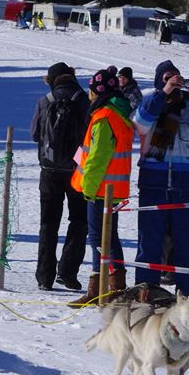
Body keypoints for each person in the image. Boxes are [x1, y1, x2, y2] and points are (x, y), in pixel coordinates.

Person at [132, 60, 189, 296]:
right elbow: (139, 124)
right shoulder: (151, 104)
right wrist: (164, 93)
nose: (174, 81)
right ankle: (146, 294)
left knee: (188, 244)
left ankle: (188, 296)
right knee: (149, 242)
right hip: (153, 184)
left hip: (185, 185)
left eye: (177, 77)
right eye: (168, 78)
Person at [69, 68, 134, 304]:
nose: (88, 94)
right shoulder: (118, 113)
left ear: (98, 91)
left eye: (91, 89)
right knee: (110, 235)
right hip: (113, 188)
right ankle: (116, 286)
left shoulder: (105, 117)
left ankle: (98, 288)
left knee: (97, 237)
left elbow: (97, 157)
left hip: (100, 189)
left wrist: (88, 187)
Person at [29, 62, 90, 291]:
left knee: (48, 224)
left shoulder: (45, 101)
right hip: (78, 171)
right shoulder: (85, 100)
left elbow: (35, 134)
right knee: (79, 221)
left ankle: (44, 276)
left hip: (49, 170)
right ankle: (68, 271)